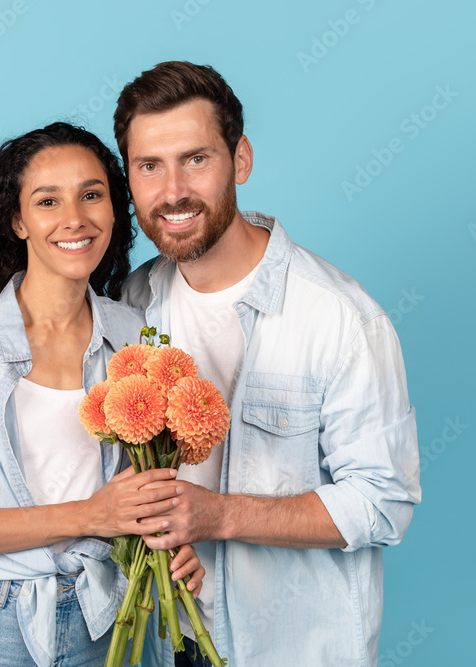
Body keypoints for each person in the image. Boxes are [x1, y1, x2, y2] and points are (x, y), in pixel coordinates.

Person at [114, 62, 422, 666]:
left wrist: (219, 515)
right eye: (149, 166)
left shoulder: (340, 317)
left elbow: (384, 501)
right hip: (169, 641)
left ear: (241, 160)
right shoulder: (132, 302)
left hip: (290, 649)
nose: (172, 190)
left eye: (195, 159)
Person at [0, 122, 205, 667]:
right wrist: (91, 515)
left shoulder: (137, 333)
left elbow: (141, 490)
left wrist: (170, 541)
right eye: (48, 200)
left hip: (113, 619)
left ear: (113, 208)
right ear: (18, 220)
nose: (74, 218)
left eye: (91, 195)